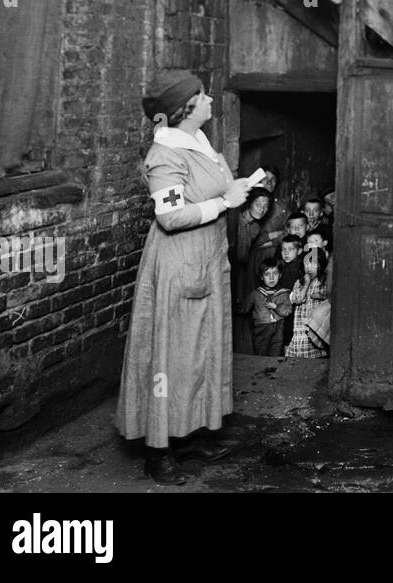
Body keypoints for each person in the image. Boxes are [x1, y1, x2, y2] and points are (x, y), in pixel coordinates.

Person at [118, 70, 249, 485]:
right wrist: (224, 203)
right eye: (203, 95)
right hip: (179, 265)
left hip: (207, 259)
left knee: (199, 351)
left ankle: (189, 436)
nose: (211, 99)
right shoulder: (165, 155)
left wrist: (237, 190)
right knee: (171, 356)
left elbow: (215, 191)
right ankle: (158, 452)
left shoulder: (199, 143)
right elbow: (171, 217)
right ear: (185, 109)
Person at [232, 186, 274, 354]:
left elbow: (255, 246)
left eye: (266, 206)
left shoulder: (255, 227)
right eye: (258, 205)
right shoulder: (235, 222)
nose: (262, 209)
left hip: (241, 270)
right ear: (249, 204)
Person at [286, 248, 330, 359]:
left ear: (321, 265)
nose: (309, 268)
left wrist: (322, 296)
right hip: (300, 329)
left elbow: (331, 298)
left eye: (314, 264)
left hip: (314, 330)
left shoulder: (324, 282)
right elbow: (297, 299)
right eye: (307, 264)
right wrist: (306, 285)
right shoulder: (299, 283)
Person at [244, 261, 293, 357]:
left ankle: (272, 370)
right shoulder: (255, 294)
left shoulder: (284, 293)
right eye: (267, 274)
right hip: (261, 328)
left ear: (280, 275)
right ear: (262, 277)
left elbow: (288, 311)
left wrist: (276, 307)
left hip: (279, 327)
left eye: (275, 273)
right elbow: (244, 308)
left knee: (276, 352)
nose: (271, 278)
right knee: (261, 353)